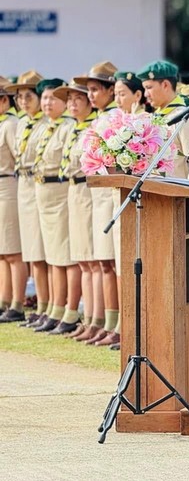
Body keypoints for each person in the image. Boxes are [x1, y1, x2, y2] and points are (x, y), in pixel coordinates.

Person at [81, 65, 125, 346]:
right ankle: (106, 322)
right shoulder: (98, 118)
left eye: (97, 89)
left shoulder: (117, 119)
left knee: (111, 262)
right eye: (90, 90)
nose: (91, 94)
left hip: (111, 194)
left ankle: (118, 323)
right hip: (95, 194)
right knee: (100, 261)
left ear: (111, 90)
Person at [53, 83, 96, 336]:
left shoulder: (94, 125)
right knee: (83, 258)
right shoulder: (71, 128)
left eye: (78, 98)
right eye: (69, 99)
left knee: (94, 259)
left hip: (88, 190)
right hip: (72, 190)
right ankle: (88, 319)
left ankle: (98, 319)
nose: (72, 103)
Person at [31, 79, 74, 334]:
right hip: (42, 191)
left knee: (63, 257)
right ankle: (50, 307)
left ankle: (65, 309)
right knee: (49, 256)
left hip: (60, 192)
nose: (47, 103)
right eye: (44, 98)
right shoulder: (45, 127)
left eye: (52, 99)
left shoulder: (69, 127)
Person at [10, 71, 48, 327]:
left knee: (43, 251)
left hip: (40, 185)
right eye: (20, 97)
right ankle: (41, 305)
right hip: (22, 184)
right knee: (32, 251)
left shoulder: (47, 124)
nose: (24, 102)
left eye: (29, 96)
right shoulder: (23, 123)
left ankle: (47, 305)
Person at [0, 80, 28, 323]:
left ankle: (18, 303)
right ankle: (4, 299)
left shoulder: (10, 124)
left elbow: (20, 157)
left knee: (12, 250)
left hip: (6, 185)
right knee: (1, 252)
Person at [138, 60, 189, 178]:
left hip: (177, 192)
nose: (145, 94)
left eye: (149, 87)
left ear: (165, 85)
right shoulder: (154, 117)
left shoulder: (183, 118)